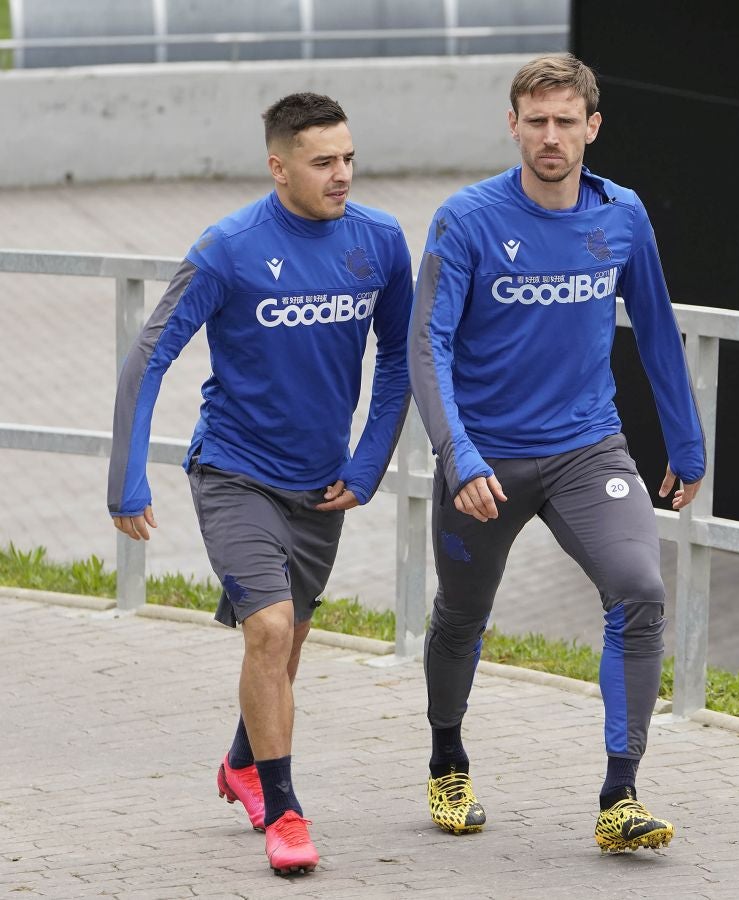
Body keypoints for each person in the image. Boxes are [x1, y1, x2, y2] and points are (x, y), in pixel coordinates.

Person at [107, 92, 413, 876]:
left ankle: (244, 762)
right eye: (323, 163)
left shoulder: (380, 243)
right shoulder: (229, 248)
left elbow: (403, 357)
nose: (342, 175)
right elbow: (150, 354)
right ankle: (284, 811)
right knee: (270, 631)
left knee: (288, 646)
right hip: (234, 471)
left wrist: (368, 460)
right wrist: (126, 477)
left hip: (322, 487)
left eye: (348, 158)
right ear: (278, 167)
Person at [409, 53, 706, 853]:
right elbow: (426, 346)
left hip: (588, 450)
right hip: (485, 464)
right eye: (535, 121)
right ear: (513, 124)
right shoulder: (466, 220)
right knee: (462, 616)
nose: (550, 136)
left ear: (592, 127)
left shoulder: (623, 216)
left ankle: (621, 794)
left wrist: (686, 441)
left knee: (639, 589)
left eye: (565, 121)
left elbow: (655, 326)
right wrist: (457, 455)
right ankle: (447, 759)